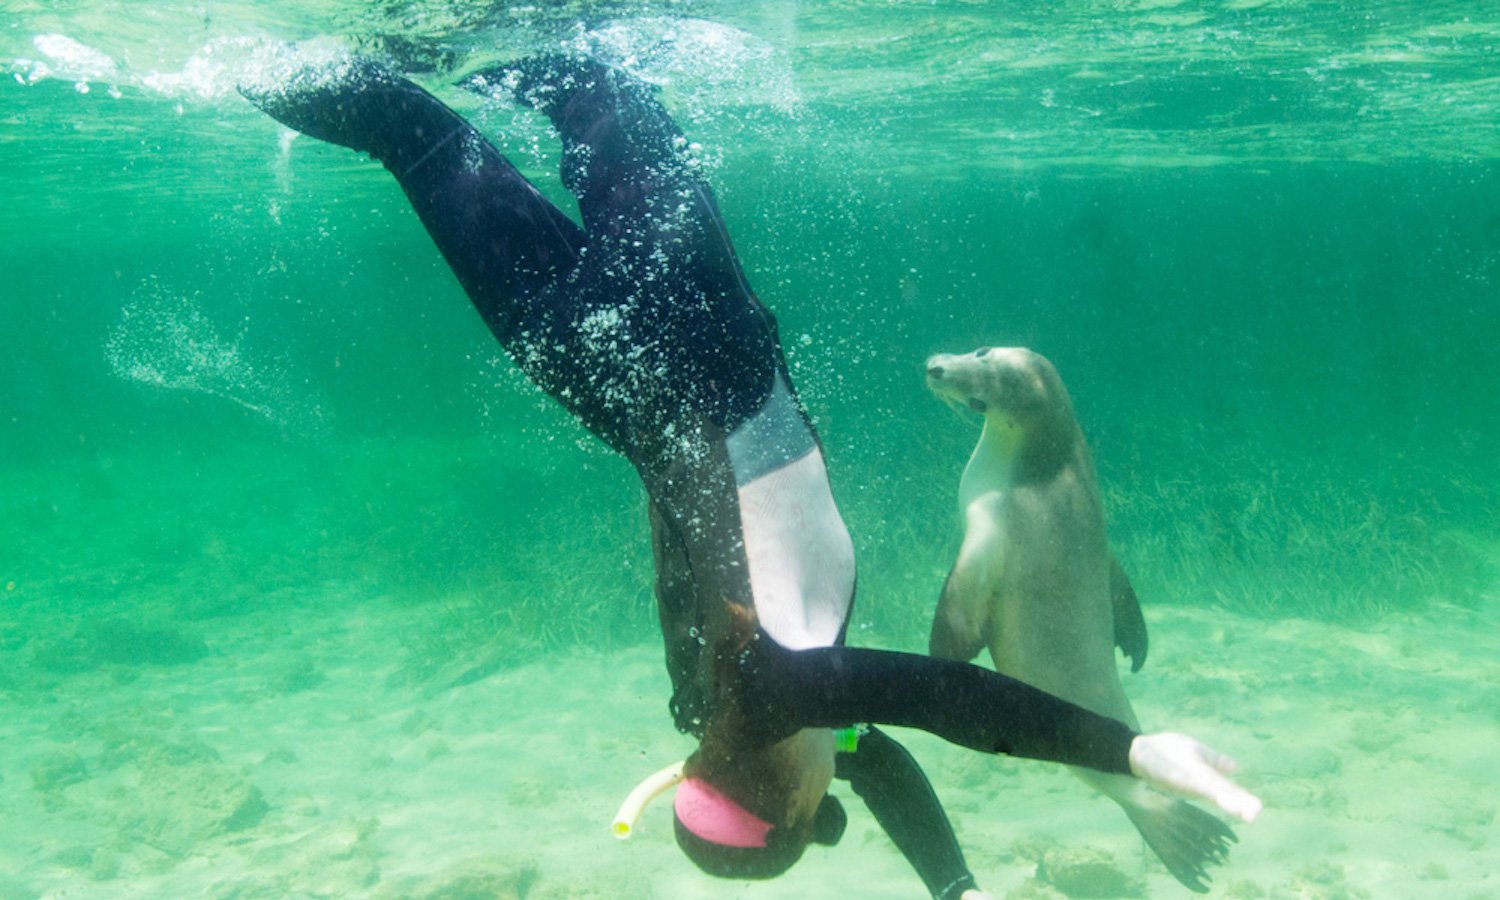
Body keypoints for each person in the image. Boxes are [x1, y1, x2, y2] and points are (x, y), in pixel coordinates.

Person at [241, 53, 1259, 898]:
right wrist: (954, 888)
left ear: (808, 804)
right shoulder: (718, 711)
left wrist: (1127, 753)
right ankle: (225, 64)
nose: (851, 770)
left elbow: (950, 700)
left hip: (694, 323)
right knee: (412, 125)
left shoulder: (786, 690)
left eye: (830, 802)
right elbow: (883, 754)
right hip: (590, 366)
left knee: (582, 71)